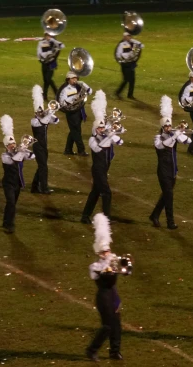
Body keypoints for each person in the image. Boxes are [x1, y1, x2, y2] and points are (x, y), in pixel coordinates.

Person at [85, 213, 125, 361]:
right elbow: (99, 275)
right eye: (103, 252)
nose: (106, 253)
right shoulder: (95, 266)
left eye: (107, 251)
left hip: (113, 295)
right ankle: (91, 349)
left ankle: (115, 351)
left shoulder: (113, 262)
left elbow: (123, 269)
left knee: (116, 325)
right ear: (98, 253)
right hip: (103, 297)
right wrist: (108, 266)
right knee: (107, 325)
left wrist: (118, 264)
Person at [80, 91, 124, 223]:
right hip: (98, 169)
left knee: (95, 192)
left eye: (102, 128)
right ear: (95, 129)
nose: (101, 129)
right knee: (107, 193)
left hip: (105, 167)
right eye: (99, 128)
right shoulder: (92, 140)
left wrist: (111, 132)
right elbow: (98, 148)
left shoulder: (106, 136)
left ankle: (85, 216)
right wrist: (109, 135)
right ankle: (106, 218)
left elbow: (121, 141)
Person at [149, 96, 190, 229]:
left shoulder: (173, 135)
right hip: (163, 172)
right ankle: (170, 222)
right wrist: (175, 135)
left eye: (169, 125)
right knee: (169, 196)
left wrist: (180, 133)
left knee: (166, 196)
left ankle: (154, 215)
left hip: (173, 170)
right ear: (162, 126)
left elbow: (188, 142)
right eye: (166, 126)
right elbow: (163, 145)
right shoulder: (158, 138)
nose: (168, 127)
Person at [0, 115, 35, 234]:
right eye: (10, 145)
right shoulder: (4, 156)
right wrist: (21, 150)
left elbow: (32, 156)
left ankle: (6, 221)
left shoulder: (18, 151)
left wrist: (25, 149)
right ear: (6, 146)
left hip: (17, 182)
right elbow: (13, 160)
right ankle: (10, 224)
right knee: (11, 203)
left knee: (12, 203)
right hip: (8, 183)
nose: (13, 145)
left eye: (13, 143)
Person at [30, 86, 59, 194]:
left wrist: (50, 112)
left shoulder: (44, 117)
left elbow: (56, 120)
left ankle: (34, 187)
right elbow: (44, 122)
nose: (40, 113)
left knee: (41, 167)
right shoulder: (34, 121)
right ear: (35, 113)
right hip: (38, 146)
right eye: (38, 112)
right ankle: (44, 188)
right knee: (43, 167)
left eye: (41, 111)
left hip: (44, 145)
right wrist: (50, 111)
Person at [59, 72, 92, 156]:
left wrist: (84, 85)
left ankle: (68, 150)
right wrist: (74, 98)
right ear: (68, 80)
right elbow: (62, 103)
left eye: (76, 78)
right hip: (71, 112)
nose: (75, 80)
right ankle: (81, 150)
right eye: (73, 78)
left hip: (80, 111)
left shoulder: (80, 86)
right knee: (76, 131)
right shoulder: (65, 90)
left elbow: (90, 91)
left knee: (74, 131)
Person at [114, 31, 143, 99]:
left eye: (129, 36)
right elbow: (118, 54)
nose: (129, 37)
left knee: (132, 80)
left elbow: (142, 45)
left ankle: (130, 95)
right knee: (126, 79)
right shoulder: (122, 44)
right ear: (124, 37)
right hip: (125, 64)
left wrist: (134, 42)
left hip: (131, 63)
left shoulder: (132, 43)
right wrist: (123, 58)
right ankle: (118, 92)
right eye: (127, 36)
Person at [37, 32, 64, 101]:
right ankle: (45, 96)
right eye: (47, 35)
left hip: (51, 63)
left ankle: (57, 93)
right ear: (45, 36)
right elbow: (39, 53)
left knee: (48, 79)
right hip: (44, 63)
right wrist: (48, 53)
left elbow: (62, 46)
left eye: (49, 36)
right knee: (45, 80)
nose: (48, 37)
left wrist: (54, 42)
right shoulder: (41, 43)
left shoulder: (54, 42)